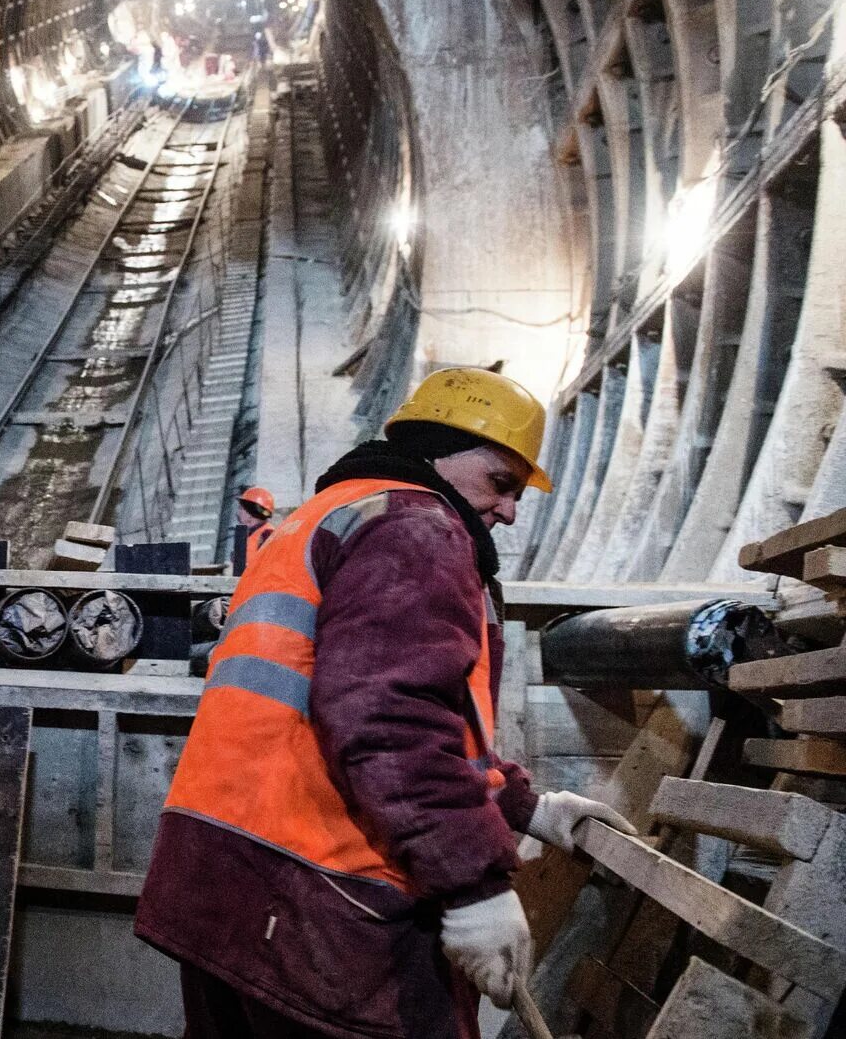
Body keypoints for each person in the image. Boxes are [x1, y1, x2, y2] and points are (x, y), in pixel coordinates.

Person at [136, 367, 636, 1039]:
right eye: (500, 483)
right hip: (320, 898)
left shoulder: (320, 519)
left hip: (227, 884)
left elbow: (382, 712)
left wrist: (525, 807)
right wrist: (474, 885)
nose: (511, 510)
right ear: (434, 454)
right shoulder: (418, 527)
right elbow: (389, 718)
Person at [232, 485, 274, 574]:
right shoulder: (248, 534)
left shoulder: (267, 534)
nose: (238, 512)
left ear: (251, 512)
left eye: (241, 508)